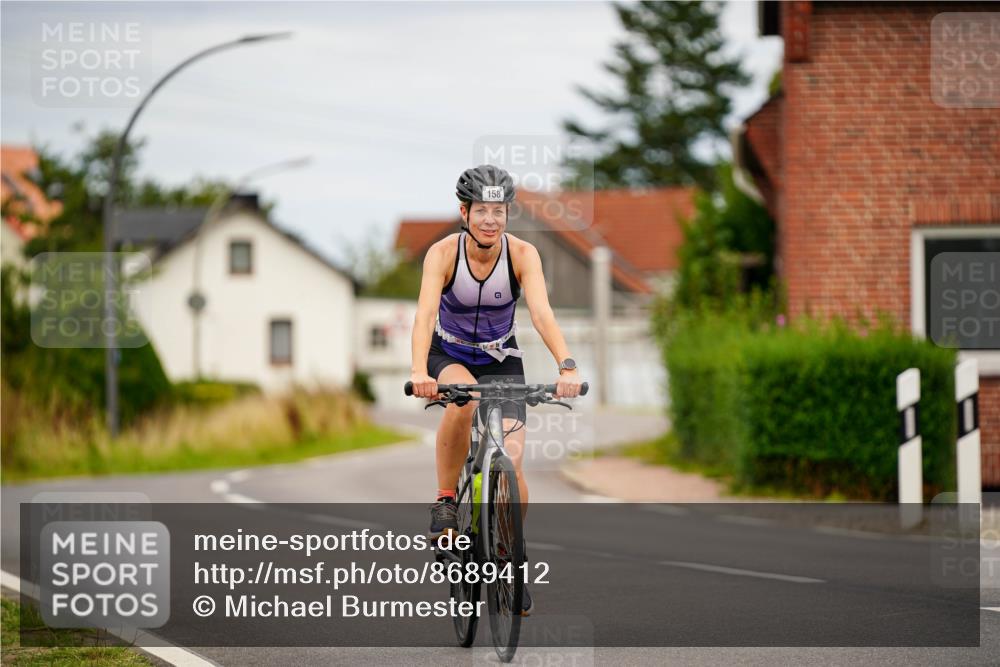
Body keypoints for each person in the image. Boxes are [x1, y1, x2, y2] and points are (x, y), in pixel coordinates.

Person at [409, 164, 583, 615]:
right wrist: (419, 372)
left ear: (508, 214)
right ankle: (446, 500)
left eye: (499, 211)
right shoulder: (442, 254)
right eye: (481, 211)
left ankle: (512, 553)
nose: (490, 219)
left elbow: (542, 314)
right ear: (464, 212)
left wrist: (566, 365)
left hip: (502, 359)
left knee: (515, 458)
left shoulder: (523, 255)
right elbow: (425, 314)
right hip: (446, 357)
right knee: (462, 402)